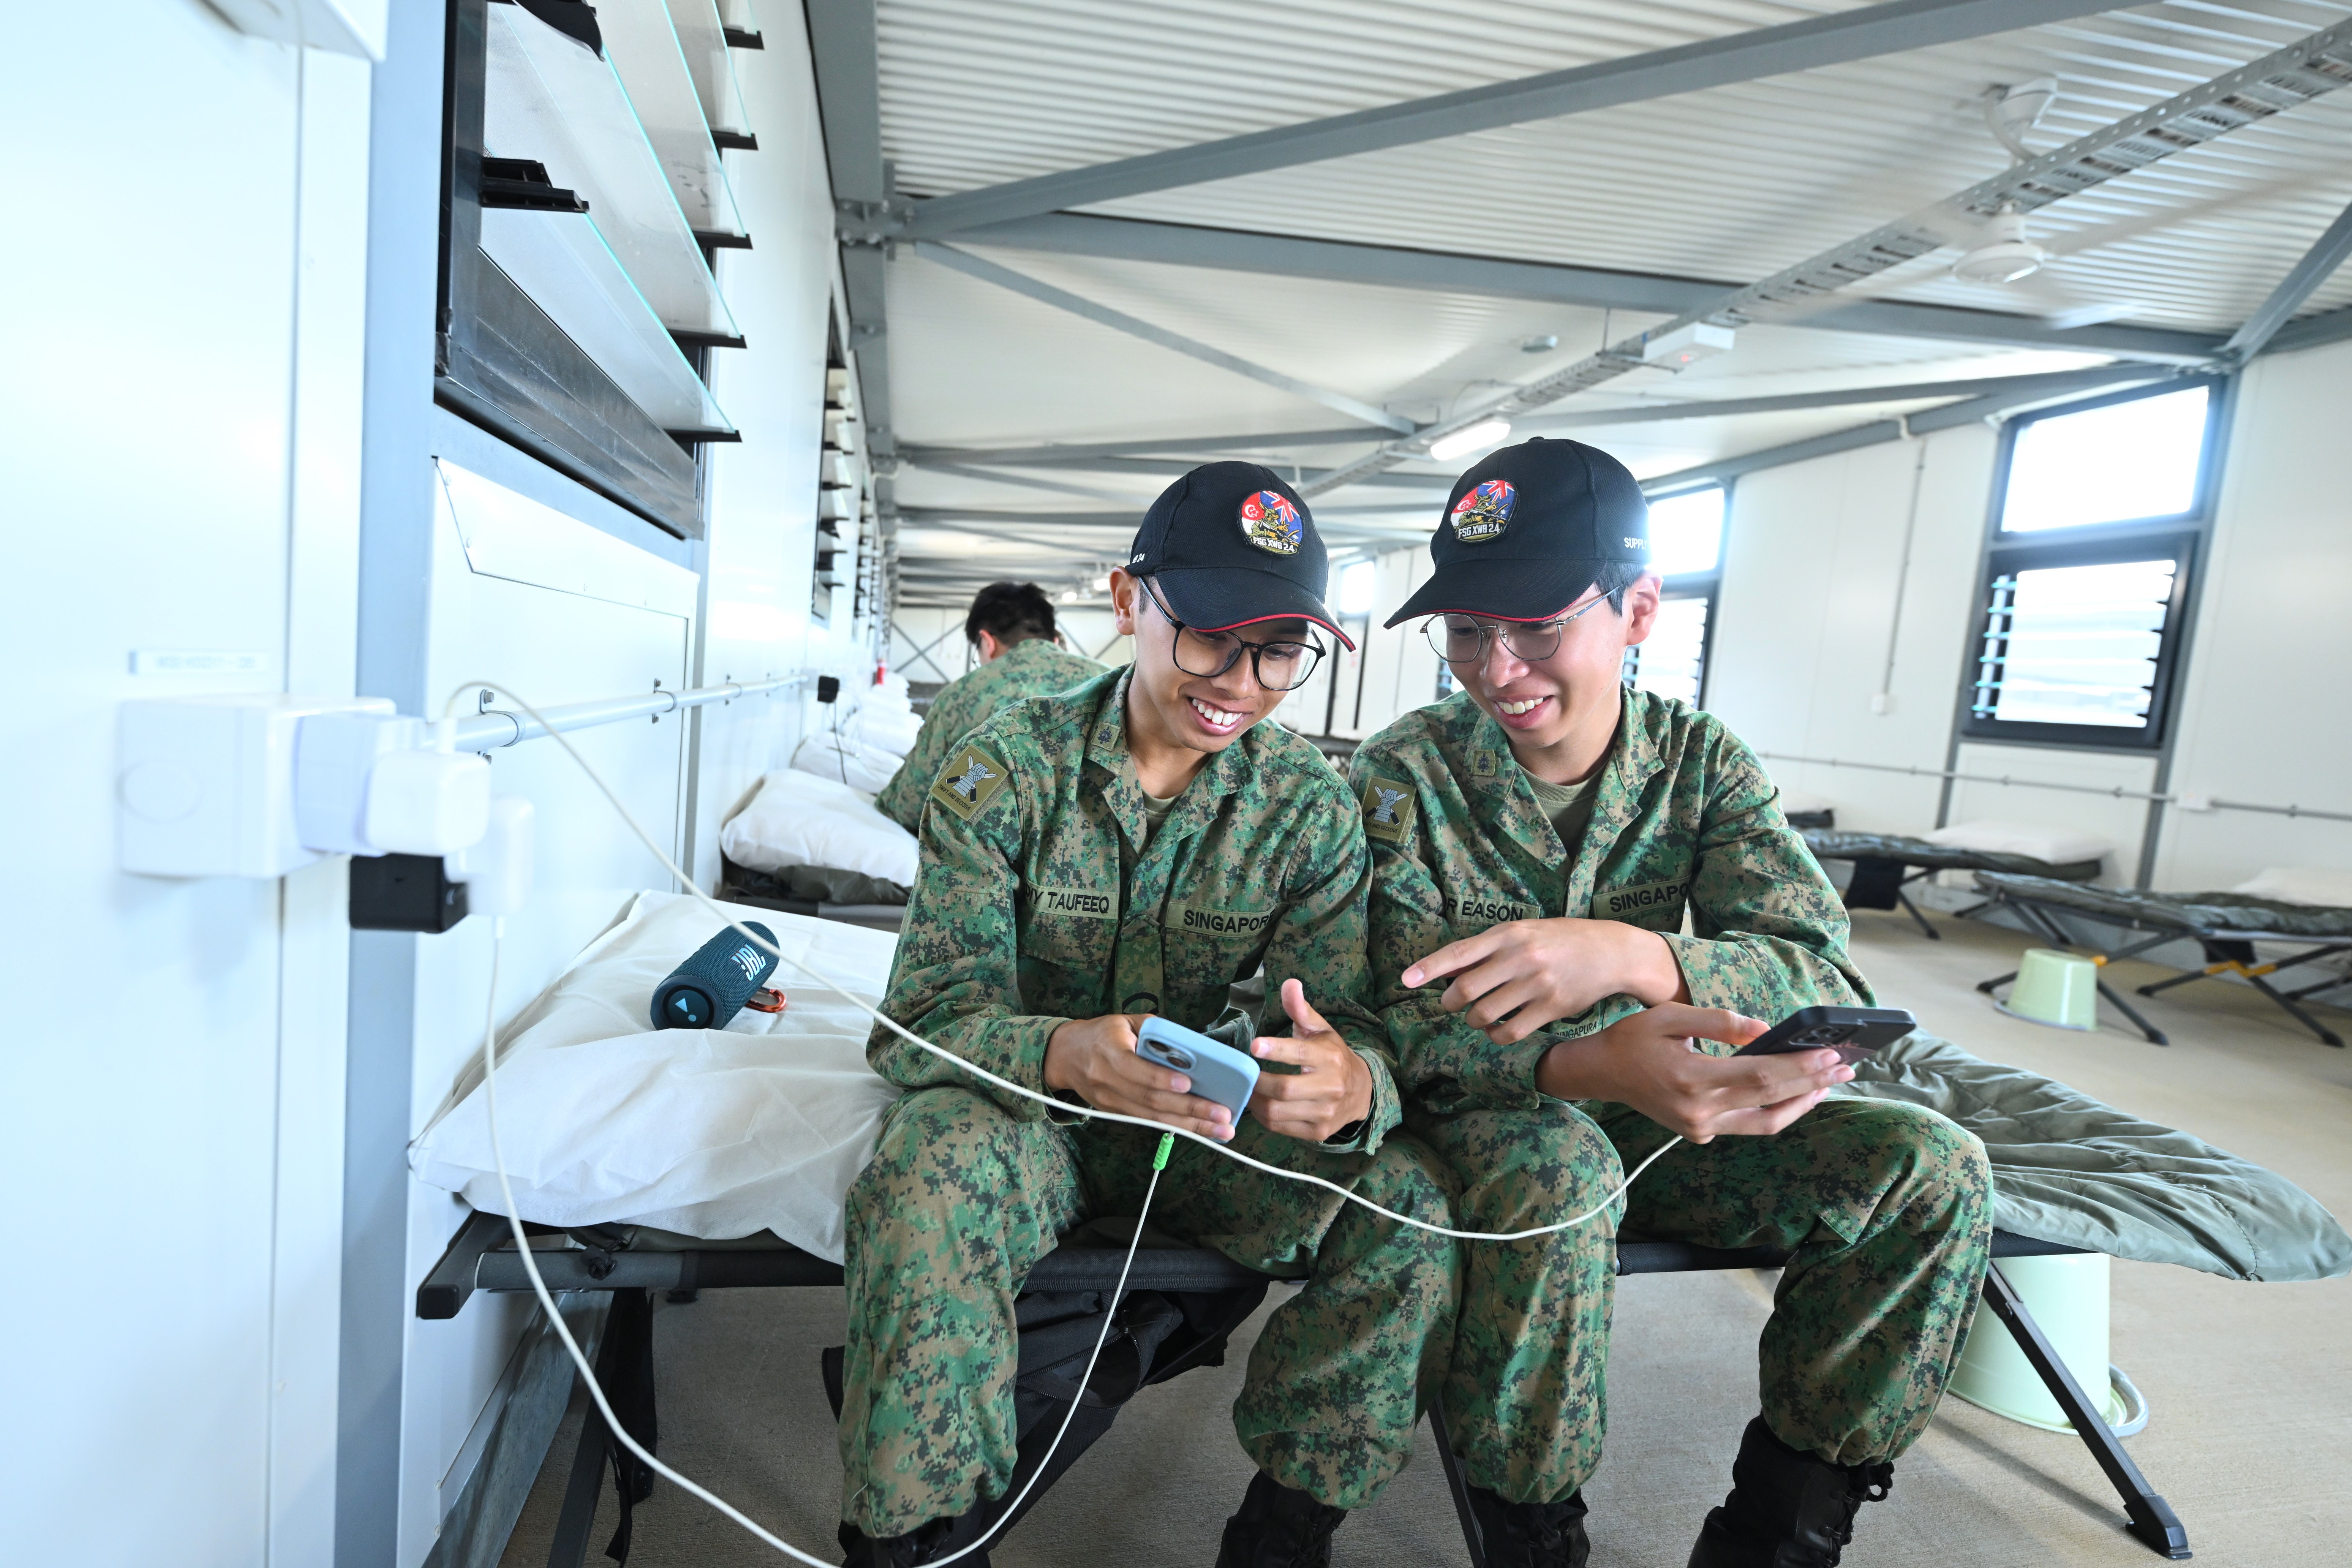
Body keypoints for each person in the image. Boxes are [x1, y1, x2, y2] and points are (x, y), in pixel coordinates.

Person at [1347, 438, 1993, 1568]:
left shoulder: (1700, 765)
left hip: (1665, 1126)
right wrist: (1584, 1064)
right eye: (1464, 631)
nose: (1496, 667)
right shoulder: (1404, 774)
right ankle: (1530, 1523)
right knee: (1559, 1169)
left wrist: (1638, 956)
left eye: (1535, 625)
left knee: (1930, 1167)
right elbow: (1386, 1024)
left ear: (1637, 610)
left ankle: (1781, 1528)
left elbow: (1823, 972)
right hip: (1491, 1121)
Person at [837, 463, 1456, 1568]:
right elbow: (924, 1016)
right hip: (1030, 1117)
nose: (1242, 683)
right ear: (1131, 602)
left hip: (1204, 1129)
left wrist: (1352, 1076)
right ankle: (915, 1539)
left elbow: (1347, 1020)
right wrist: (1063, 1051)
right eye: (1212, 637)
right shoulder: (1006, 768)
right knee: (927, 1175)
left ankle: (1287, 1523)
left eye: (1280, 651)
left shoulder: (1307, 808)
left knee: (1407, 1198)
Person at [874, 580, 1103, 831]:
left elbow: (911, 806)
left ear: (987, 642)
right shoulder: (1110, 681)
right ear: (1055, 641)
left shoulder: (963, 695)